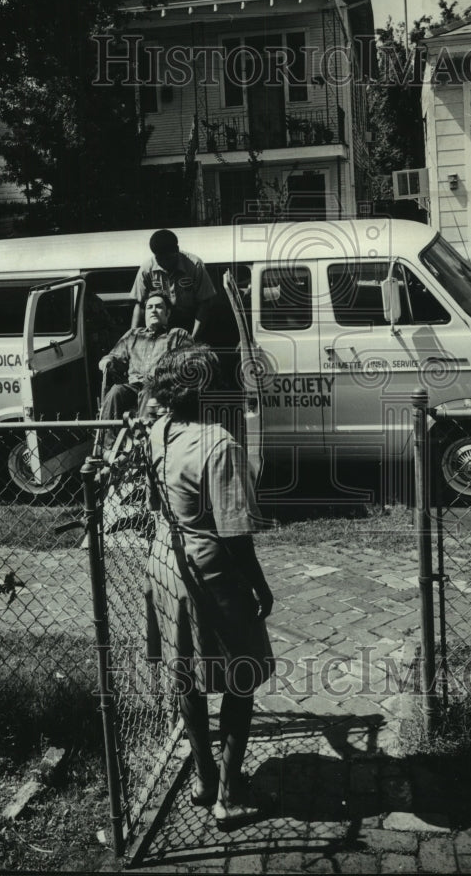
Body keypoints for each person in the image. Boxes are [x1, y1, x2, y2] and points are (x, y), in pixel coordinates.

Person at [144, 346, 274, 830]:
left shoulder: (156, 431)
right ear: (205, 389)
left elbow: (161, 504)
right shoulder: (219, 444)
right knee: (239, 679)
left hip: (163, 562)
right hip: (208, 570)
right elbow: (235, 533)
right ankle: (228, 795)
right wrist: (259, 587)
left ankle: (203, 779)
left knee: (187, 678)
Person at [98, 292, 193, 445]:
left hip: (161, 387)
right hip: (133, 386)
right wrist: (107, 360)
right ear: (145, 313)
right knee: (116, 391)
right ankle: (108, 449)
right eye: (149, 307)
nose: (153, 310)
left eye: (159, 307)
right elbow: (114, 356)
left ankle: (142, 445)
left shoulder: (178, 335)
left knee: (148, 391)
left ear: (168, 313)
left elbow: (189, 361)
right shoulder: (133, 335)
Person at [130, 229, 217, 339]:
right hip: (161, 325)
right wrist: (132, 337)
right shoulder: (147, 269)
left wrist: (193, 338)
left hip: (192, 322)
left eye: (167, 258)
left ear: (176, 251)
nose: (162, 262)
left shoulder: (195, 265)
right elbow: (140, 304)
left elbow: (204, 303)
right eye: (158, 258)